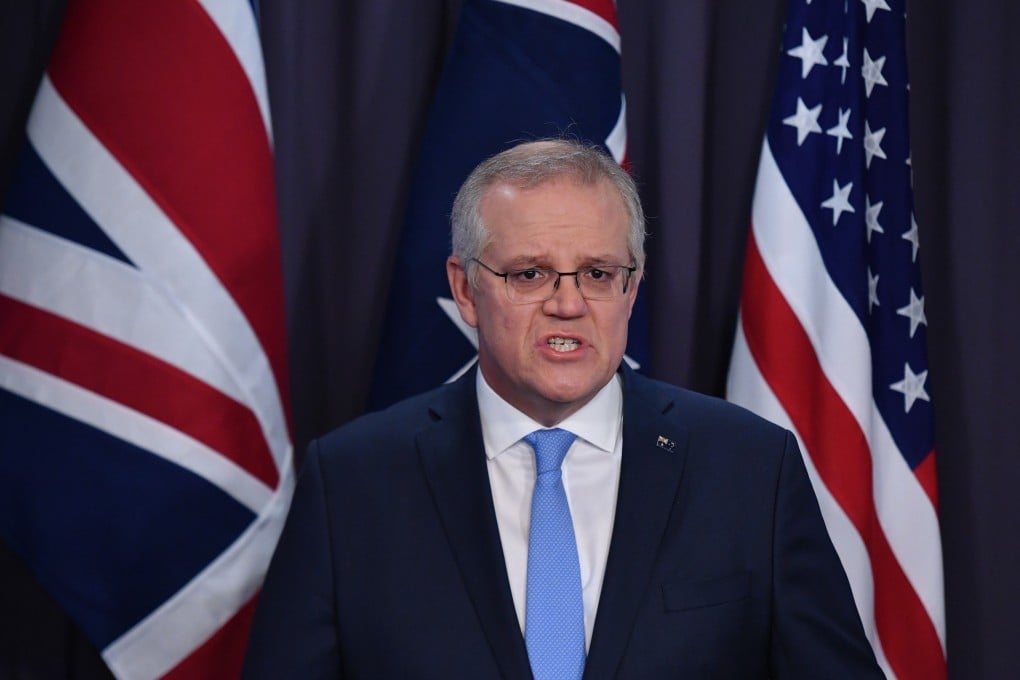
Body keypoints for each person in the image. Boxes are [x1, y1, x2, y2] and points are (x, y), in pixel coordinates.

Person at [243, 139, 883, 678]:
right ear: (465, 290)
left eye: (599, 274)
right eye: (530, 275)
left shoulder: (748, 469)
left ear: (632, 288)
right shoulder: (352, 482)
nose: (568, 305)